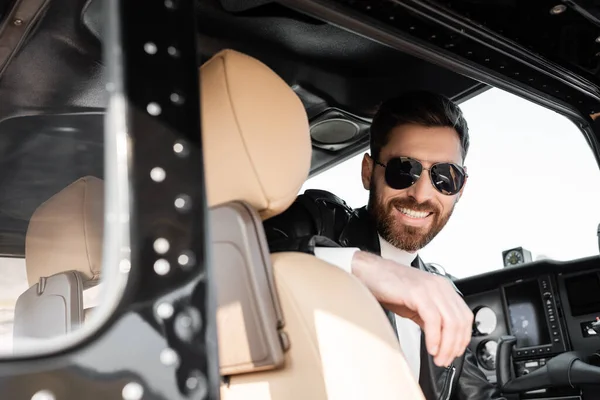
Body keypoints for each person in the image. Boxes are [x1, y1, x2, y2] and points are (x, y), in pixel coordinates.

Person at [263, 91, 505, 400]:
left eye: (445, 177)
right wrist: (361, 267)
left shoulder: (444, 295)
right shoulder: (315, 220)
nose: (420, 195)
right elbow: (241, 264)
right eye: (403, 169)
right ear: (368, 171)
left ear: (460, 189)